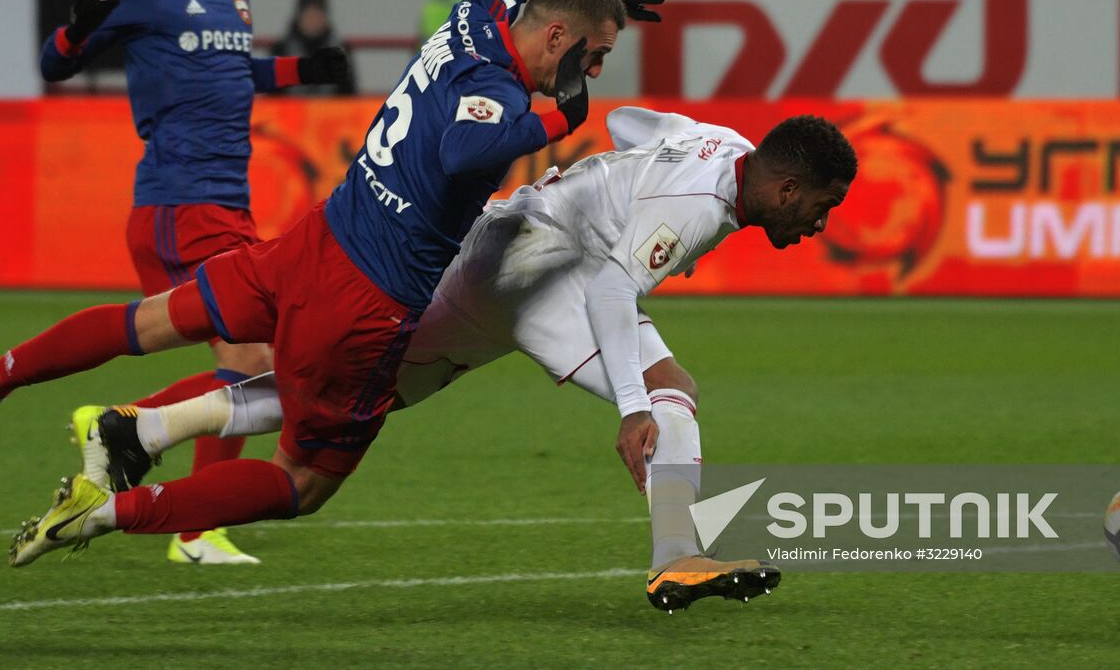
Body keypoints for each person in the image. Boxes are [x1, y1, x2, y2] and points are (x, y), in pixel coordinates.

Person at [0, 0, 667, 567]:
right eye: (591, 56)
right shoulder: (498, 93)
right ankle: (104, 515)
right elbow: (462, 153)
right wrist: (563, 116)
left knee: (151, 320)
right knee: (303, 483)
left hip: (310, 243)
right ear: (555, 36)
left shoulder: (479, 12)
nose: (592, 71)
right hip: (364, 302)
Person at [72, 106, 858, 610]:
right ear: (788, 189)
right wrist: (631, 410)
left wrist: (616, 183)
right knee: (669, 388)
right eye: (823, 207)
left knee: (366, 387)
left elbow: (629, 123)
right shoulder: (698, 208)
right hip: (541, 271)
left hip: (498, 242)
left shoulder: (715, 143)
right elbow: (614, 292)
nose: (820, 224)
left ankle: (147, 429)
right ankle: (677, 556)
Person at [0, 0, 351, 565]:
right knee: (253, 355)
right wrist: (76, 25)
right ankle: (144, 464)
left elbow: (225, 66)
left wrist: (297, 71)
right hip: (180, 205)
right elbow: (54, 64)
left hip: (224, 205)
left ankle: (0, 387)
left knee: (191, 342)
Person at [271, 0, 357, 95]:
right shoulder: (280, 50)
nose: (312, 21)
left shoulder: (342, 52)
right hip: (288, 111)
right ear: (298, 19)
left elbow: (349, 94)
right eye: (308, 16)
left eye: (317, 16)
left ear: (325, 19)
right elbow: (273, 95)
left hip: (331, 110)